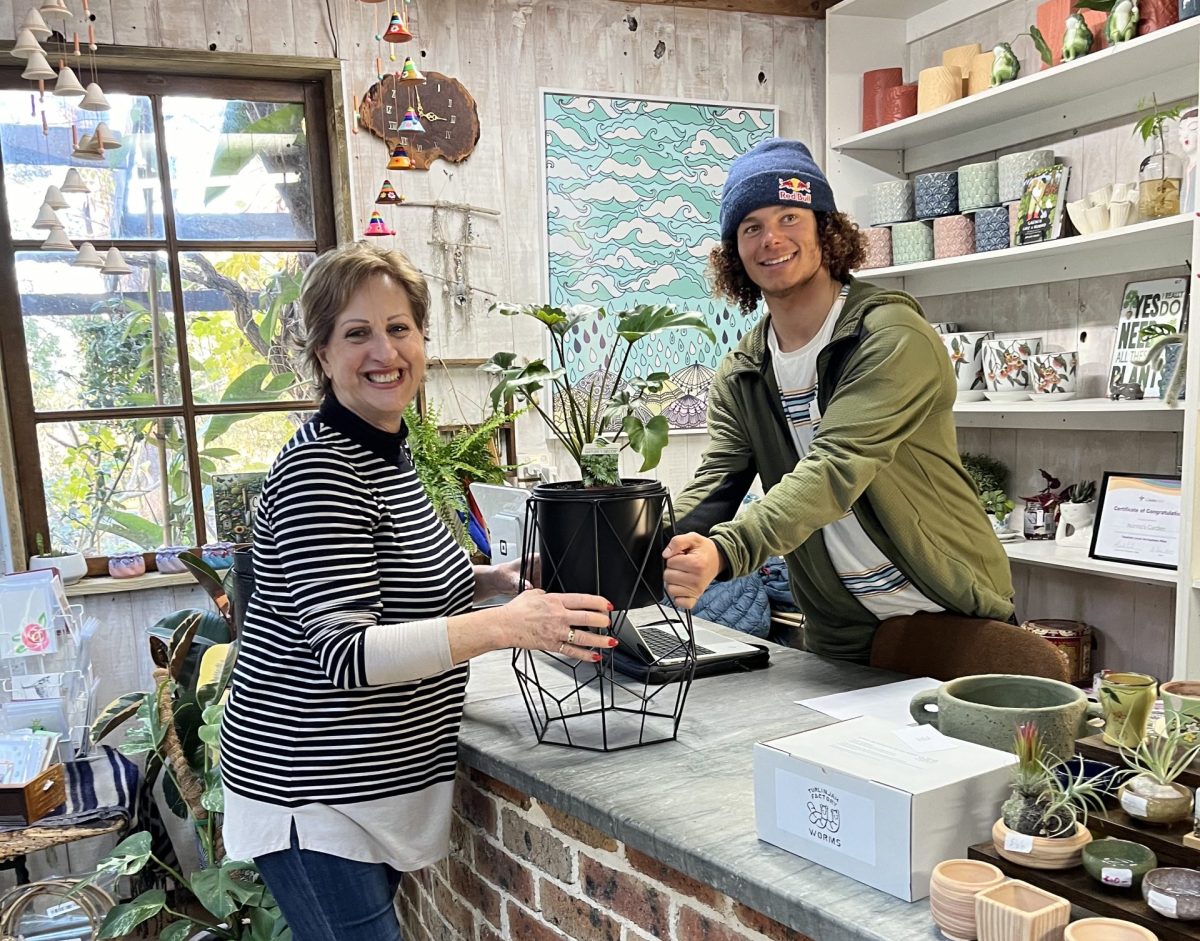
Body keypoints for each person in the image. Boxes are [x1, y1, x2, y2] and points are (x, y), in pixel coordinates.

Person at [219, 242, 615, 941]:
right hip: (314, 794)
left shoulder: (387, 449)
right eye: (357, 333)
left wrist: (498, 582)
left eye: (399, 328)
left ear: (422, 338)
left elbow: (406, 584)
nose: (385, 350)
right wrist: (505, 626)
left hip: (364, 789)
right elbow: (348, 651)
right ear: (321, 352)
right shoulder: (322, 470)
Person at [662, 138, 1014, 663]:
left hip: (952, 609)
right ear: (735, 251)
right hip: (843, 628)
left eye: (789, 218)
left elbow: (835, 468)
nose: (771, 239)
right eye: (751, 227)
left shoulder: (891, 336)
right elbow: (717, 485)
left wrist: (727, 550)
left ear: (827, 230)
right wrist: (629, 547)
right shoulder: (744, 371)